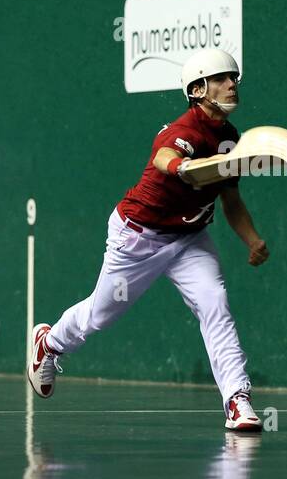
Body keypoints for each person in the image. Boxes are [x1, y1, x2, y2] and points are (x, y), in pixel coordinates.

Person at [27, 47, 268, 431]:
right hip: (138, 237)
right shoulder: (181, 131)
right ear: (199, 89)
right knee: (100, 316)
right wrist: (182, 166)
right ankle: (51, 343)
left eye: (234, 77)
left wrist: (252, 239)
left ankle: (237, 400)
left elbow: (230, 198)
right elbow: (163, 157)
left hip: (190, 239)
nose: (232, 84)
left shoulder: (230, 137)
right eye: (223, 78)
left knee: (215, 304)